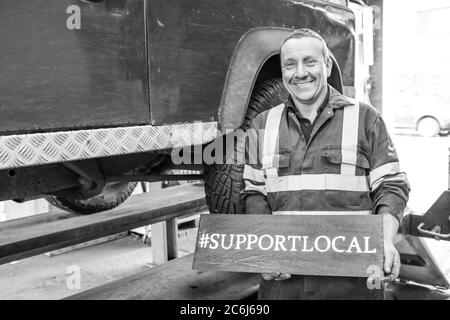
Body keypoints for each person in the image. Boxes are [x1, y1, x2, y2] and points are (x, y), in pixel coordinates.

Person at [241, 29, 410, 300]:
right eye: (290, 64)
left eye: (310, 61)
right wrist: (266, 249)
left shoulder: (366, 119)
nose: (300, 73)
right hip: (284, 284)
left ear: (327, 65)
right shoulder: (262, 125)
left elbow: (391, 187)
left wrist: (385, 240)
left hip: (352, 283)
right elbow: (254, 192)